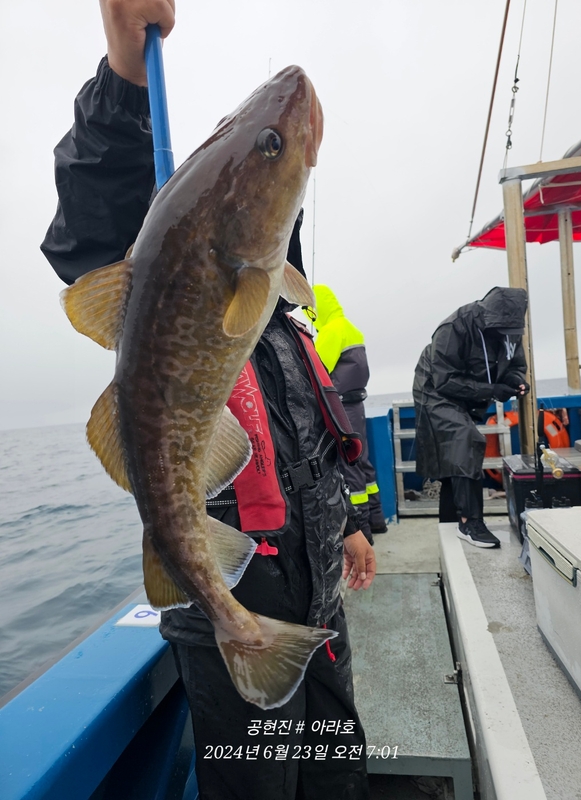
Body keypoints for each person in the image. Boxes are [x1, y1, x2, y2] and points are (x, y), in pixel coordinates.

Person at [40, 2, 375, 798]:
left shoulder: (289, 316)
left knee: (336, 778)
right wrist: (125, 74)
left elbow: (327, 441)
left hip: (318, 603)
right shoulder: (177, 278)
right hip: (236, 610)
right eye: (260, 147)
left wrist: (357, 525)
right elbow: (95, 223)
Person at [412, 286, 529, 549]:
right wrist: (492, 390)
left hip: (470, 391)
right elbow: (444, 381)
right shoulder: (453, 327)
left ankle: (451, 526)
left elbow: (515, 366)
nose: (505, 337)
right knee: (464, 438)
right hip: (434, 388)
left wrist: (515, 382)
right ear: (488, 319)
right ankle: (469, 522)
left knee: (454, 461)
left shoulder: (509, 331)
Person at [306, 285, 388, 544]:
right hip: (356, 405)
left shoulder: (331, 332)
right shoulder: (352, 328)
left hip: (340, 409)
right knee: (363, 463)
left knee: (348, 465)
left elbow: (318, 370)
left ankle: (362, 531)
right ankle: (377, 519)